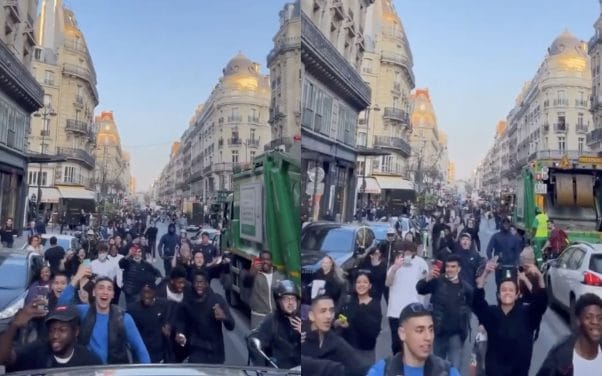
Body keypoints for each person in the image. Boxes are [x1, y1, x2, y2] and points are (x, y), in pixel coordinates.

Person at [57, 267, 151, 364]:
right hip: (89, 370)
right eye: (101, 288)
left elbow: (140, 350)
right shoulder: (84, 311)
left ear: (113, 294)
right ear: (94, 292)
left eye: (109, 289)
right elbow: (62, 308)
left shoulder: (124, 318)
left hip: (115, 371)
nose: (105, 292)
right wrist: (77, 278)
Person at [472, 258, 548, 376]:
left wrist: (540, 278)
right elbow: (477, 303)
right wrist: (485, 274)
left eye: (511, 290)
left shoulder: (527, 314)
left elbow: (540, 303)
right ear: (498, 294)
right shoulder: (491, 314)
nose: (507, 292)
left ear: (517, 294)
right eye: (503, 290)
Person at [0, 303, 102, 371]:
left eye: (62, 330)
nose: (55, 335)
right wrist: (15, 325)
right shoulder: (35, 352)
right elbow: (3, 358)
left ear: (76, 332)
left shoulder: (89, 362)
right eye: (52, 330)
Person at [366, 303, 461, 376]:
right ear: (402, 333)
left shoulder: (446, 372)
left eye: (431, 329)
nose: (428, 337)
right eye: (420, 330)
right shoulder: (383, 371)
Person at [416, 254, 473, 370]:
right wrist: (427, 278)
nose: (449, 270)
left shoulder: (466, 288)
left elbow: (470, 307)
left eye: (453, 267)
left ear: (459, 269)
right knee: (438, 367)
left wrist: (466, 325)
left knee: (455, 368)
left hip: (456, 334)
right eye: (447, 267)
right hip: (439, 332)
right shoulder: (437, 281)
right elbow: (420, 289)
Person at [174, 270, 235, 364]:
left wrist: (224, 317)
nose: (199, 285)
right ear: (192, 284)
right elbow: (181, 320)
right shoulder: (187, 301)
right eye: (196, 282)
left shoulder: (217, 299)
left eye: (201, 282)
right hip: (196, 349)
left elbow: (231, 326)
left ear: (206, 284)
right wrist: (180, 333)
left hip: (215, 350)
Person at [301, 295, 370, 376]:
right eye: (323, 311)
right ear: (311, 316)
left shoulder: (334, 340)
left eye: (331, 311)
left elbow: (359, 365)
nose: (329, 316)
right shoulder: (299, 336)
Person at [536, 293, 602, 375]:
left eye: (600, 318)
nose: (595, 322)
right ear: (578, 321)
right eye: (588, 317)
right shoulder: (560, 357)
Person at [385, 241, 429, 355]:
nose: (406, 255)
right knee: (397, 344)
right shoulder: (395, 265)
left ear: (413, 253)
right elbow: (388, 283)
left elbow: (425, 281)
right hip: (395, 312)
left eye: (408, 252)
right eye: (403, 253)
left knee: (412, 344)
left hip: (413, 311)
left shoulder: (420, 263)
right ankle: (397, 368)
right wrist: (395, 268)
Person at [247, 280, 301, 369]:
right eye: (286, 299)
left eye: (293, 298)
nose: (290, 302)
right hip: (279, 370)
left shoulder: (305, 319)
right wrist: (262, 370)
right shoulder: (272, 320)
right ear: (278, 301)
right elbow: (253, 340)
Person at [334, 272, 382, 365]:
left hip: (365, 352)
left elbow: (374, 331)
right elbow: (336, 320)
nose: (361, 285)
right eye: (358, 282)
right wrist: (337, 323)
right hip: (347, 350)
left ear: (370, 286)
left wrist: (351, 324)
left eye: (365, 282)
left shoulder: (375, 304)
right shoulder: (349, 302)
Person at [127, 283, 171, 363]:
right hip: (141, 352)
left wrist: (168, 326)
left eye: (149, 292)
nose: (146, 295)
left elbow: (170, 320)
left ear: (154, 292)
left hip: (160, 353)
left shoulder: (164, 304)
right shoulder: (132, 309)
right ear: (140, 293)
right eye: (143, 292)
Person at [244, 250, 286, 329]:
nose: (265, 261)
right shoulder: (255, 274)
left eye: (267, 259)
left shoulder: (279, 276)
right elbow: (246, 284)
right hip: (258, 316)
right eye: (262, 259)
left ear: (271, 261)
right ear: (259, 261)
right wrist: (251, 273)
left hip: (275, 316)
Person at [486, 217, 522, 287]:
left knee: (512, 286)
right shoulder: (496, 237)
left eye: (507, 224)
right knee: (500, 287)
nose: (506, 225)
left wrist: (518, 264)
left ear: (509, 225)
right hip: (500, 267)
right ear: (501, 224)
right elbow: (488, 250)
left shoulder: (514, 238)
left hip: (511, 267)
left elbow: (517, 253)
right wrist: (492, 261)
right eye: (504, 223)